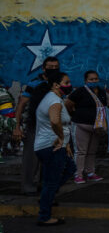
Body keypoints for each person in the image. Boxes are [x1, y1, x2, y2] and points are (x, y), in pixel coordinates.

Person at [12, 56, 60, 195]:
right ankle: (28, 187)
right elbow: (21, 105)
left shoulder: (58, 84)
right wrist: (17, 127)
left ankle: (45, 186)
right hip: (35, 126)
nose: (53, 69)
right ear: (43, 68)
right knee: (31, 159)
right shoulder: (34, 84)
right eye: (50, 67)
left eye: (56, 67)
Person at [34, 70, 75, 226]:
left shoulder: (55, 98)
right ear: (56, 85)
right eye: (66, 83)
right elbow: (55, 122)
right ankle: (44, 216)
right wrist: (61, 139)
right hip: (50, 147)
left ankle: (46, 197)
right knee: (51, 182)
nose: (69, 85)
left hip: (55, 146)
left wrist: (66, 144)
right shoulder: (54, 101)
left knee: (71, 168)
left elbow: (62, 125)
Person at [65, 70, 107, 184]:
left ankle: (90, 172)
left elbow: (104, 107)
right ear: (85, 81)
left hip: (96, 126)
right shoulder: (80, 91)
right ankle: (78, 174)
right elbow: (68, 104)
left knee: (92, 151)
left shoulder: (101, 92)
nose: (94, 81)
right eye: (91, 79)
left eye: (96, 79)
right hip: (81, 125)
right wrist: (74, 115)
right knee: (80, 151)